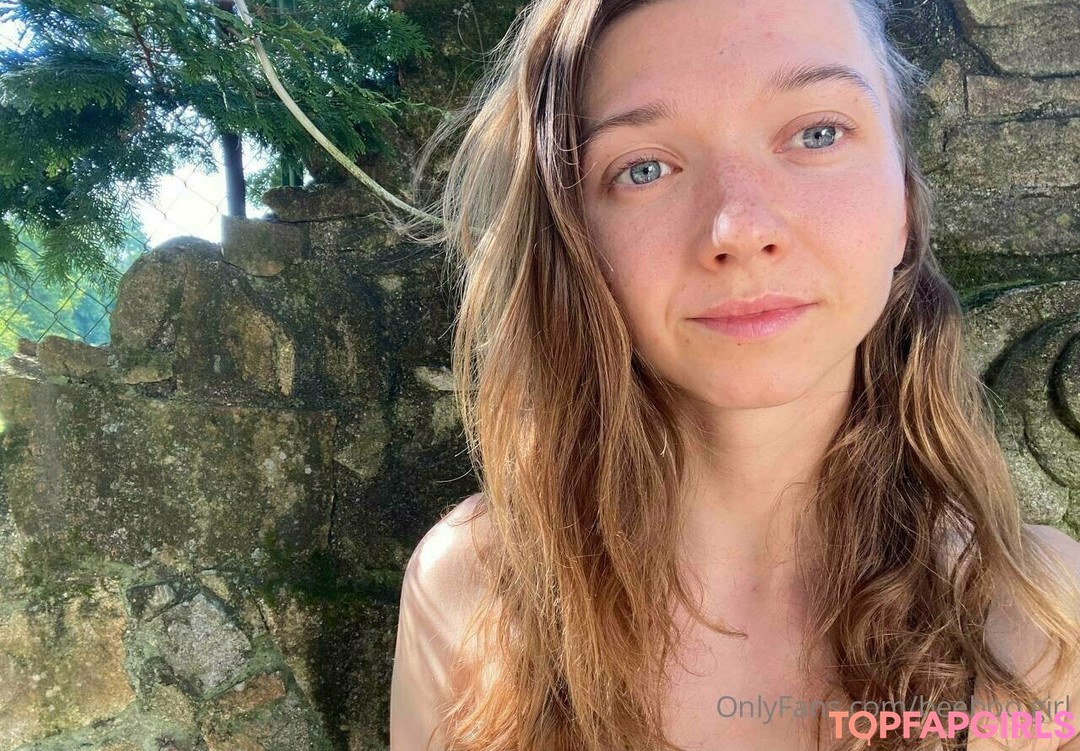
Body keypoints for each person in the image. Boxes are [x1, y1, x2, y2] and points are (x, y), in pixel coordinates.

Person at [388, 0, 1080, 749]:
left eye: (818, 133)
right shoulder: (470, 592)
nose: (740, 229)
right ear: (573, 240)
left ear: (904, 203)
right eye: (644, 169)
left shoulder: (1051, 621)